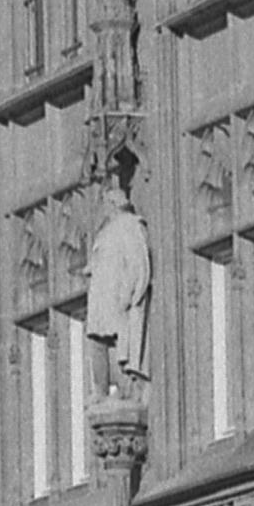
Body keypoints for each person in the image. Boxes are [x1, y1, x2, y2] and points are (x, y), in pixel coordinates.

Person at [84, 165, 153, 390]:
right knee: (96, 340)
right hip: (102, 298)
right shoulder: (106, 231)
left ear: (113, 204)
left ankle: (126, 389)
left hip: (117, 297)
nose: (103, 210)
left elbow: (138, 263)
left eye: (106, 204)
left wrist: (128, 294)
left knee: (119, 342)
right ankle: (101, 390)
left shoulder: (130, 224)